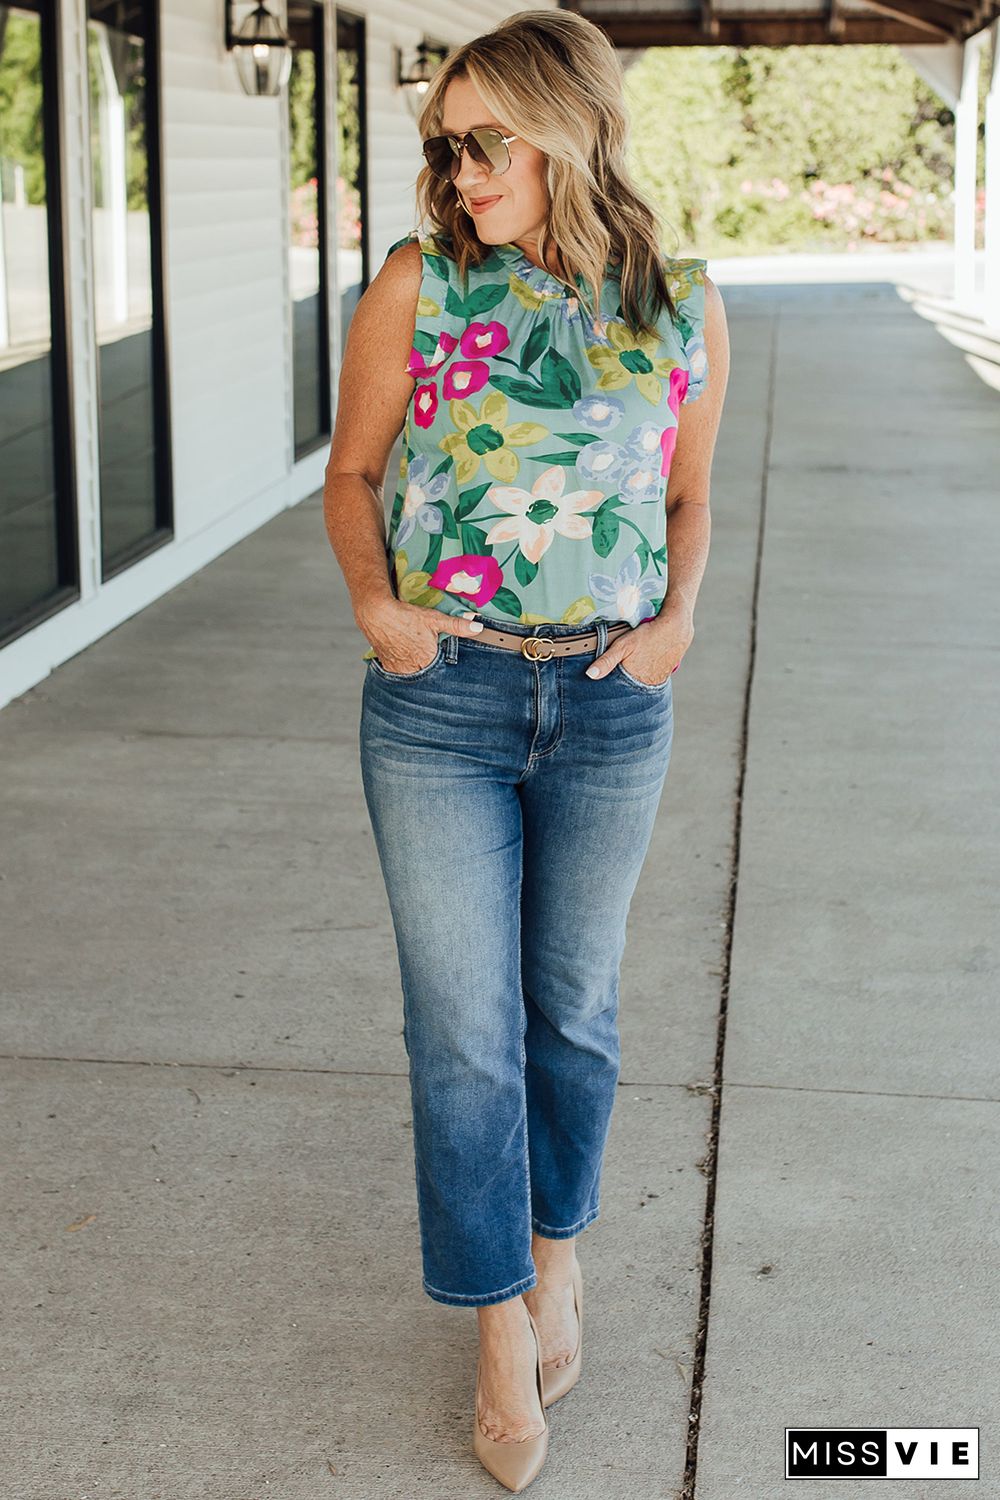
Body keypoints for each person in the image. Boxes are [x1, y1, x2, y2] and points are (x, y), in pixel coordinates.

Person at [323, 8, 729, 1490]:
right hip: (444, 703)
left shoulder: (680, 301)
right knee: (464, 1030)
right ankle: (496, 1326)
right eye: (445, 144)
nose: (457, 167)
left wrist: (681, 619)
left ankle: (560, 1255)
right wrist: (378, 602)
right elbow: (354, 470)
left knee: (573, 1008)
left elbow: (689, 498)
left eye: (483, 140)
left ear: (567, 127)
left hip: (615, 704)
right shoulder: (423, 286)